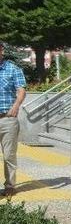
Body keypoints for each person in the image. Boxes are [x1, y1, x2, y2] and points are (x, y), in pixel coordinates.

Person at [0, 42, 26, 196]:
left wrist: (16, 105)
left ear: (1, 50)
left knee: (9, 154)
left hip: (7, 120)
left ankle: (10, 185)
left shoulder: (13, 69)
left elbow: (21, 90)